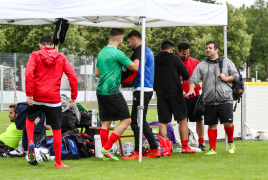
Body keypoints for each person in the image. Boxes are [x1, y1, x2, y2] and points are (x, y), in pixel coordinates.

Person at [25, 34, 78, 168]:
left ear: (40, 45)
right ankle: (58, 162)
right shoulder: (61, 57)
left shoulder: (35, 55)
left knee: (30, 118)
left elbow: (29, 73)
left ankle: (31, 142)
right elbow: (73, 76)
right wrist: (73, 97)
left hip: (37, 95)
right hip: (53, 98)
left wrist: (29, 94)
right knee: (56, 129)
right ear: (52, 45)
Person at [186, 41, 239, 155]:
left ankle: (231, 143)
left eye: (210, 48)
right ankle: (212, 149)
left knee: (227, 123)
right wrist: (191, 89)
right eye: (206, 48)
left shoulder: (226, 62)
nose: (207, 50)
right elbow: (193, 79)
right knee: (212, 124)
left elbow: (236, 75)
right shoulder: (201, 65)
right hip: (209, 100)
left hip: (225, 98)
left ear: (216, 50)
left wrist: (226, 78)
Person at [95, 28, 139, 161]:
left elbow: (97, 73)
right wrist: (139, 57)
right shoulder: (118, 53)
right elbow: (134, 67)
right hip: (112, 91)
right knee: (127, 120)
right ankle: (107, 148)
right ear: (119, 39)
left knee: (105, 122)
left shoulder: (101, 52)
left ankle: (105, 155)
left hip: (100, 91)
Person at [121, 30, 161, 160]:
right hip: (143, 89)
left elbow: (136, 67)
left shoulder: (141, 51)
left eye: (128, 42)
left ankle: (142, 151)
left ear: (134, 39)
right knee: (137, 121)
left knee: (138, 121)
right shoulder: (145, 50)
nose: (128, 45)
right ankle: (153, 149)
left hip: (143, 89)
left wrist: (125, 78)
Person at [154, 41, 196, 154]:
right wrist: (179, 78)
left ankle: (165, 148)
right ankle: (185, 147)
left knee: (163, 121)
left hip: (161, 93)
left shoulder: (154, 60)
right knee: (183, 119)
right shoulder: (175, 59)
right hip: (176, 93)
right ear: (171, 49)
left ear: (160, 49)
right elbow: (186, 74)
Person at [177, 41, 207, 151]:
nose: (186, 56)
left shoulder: (196, 63)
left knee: (199, 119)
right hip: (181, 97)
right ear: (178, 52)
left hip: (195, 96)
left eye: (187, 53)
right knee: (182, 120)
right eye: (183, 54)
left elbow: (204, 78)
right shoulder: (175, 63)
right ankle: (184, 144)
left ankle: (201, 142)